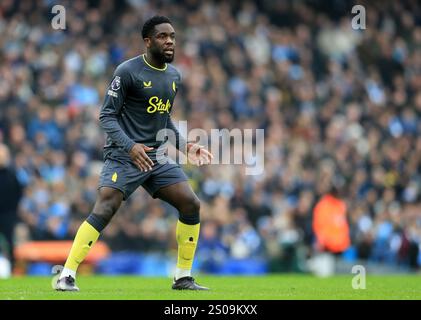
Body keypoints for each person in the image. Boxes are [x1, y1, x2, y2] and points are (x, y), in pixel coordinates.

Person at [56, 16, 213, 291]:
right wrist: (130, 146)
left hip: (155, 155)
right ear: (148, 41)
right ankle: (66, 275)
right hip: (124, 155)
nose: (170, 42)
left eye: (173, 36)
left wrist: (186, 145)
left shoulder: (174, 76)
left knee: (191, 204)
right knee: (106, 208)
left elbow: (163, 120)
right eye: (163, 36)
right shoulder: (127, 71)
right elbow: (106, 115)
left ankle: (183, 276)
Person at [0, 143, 24, 273]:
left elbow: (19, 193)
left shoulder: (12, 174)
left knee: (9, 243)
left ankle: (12, 268)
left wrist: (13, 211)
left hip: (8, 215)